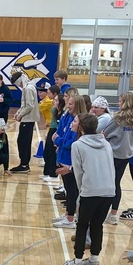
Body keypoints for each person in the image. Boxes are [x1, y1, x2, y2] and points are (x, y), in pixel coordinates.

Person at [64, 113, 115, 265]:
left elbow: (78, 172)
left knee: (82, 225)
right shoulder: (106, 144)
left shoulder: (77, 145)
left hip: (90, 191)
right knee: (97, 225)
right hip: (108, 190)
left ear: (81, 127)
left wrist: (82, 191)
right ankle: (94, 261)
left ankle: (77, 261)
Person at [103, 92, 133, 225]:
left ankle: (103, 211)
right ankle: (113, 214)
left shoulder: (118, 118)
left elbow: (105, 133)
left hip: (114, 154)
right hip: (126, 155)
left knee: (109, 184)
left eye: (120, 101)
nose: (118, 104)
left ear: (125, 103)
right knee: (116, 183)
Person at [52, 93, 81, 229]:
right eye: (68, 103)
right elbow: (60, 132)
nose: (68, 106)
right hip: (63, 156)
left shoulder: (78, 121)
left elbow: (71, 142)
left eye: (71, 104)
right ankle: (69, 214)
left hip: (70, 160)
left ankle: (70, 218)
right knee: (69, 190)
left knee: (72, 189)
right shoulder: (67, 116)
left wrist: (58, 140)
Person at [11, 71, 39, 173]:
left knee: (24, 142)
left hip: (28, 120)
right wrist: (18, 113)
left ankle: (24, 164)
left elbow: (29, 106)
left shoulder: (28, 88)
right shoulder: (27, 88)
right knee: (22, 141)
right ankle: (24, 163)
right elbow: (24, 104)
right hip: (26, 119)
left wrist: (20, 115)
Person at [41, 87, 61, 182]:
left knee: (52, 152)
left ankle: (53, 174)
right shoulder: (52, 105)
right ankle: (47, 171)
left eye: (56, 100)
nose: (54, 102)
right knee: (47, 152)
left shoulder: (59, 110)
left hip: (54, 130)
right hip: (51, 128)